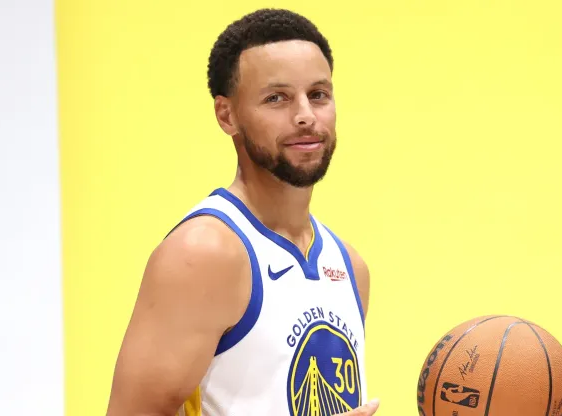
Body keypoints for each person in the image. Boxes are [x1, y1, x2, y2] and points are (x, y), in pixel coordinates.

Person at [106, 8, 378, 416]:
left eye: (318, 94)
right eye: (277, 98)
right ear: (226, 115)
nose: (305, 115)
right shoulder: (204, 254)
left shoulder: (349, 267)